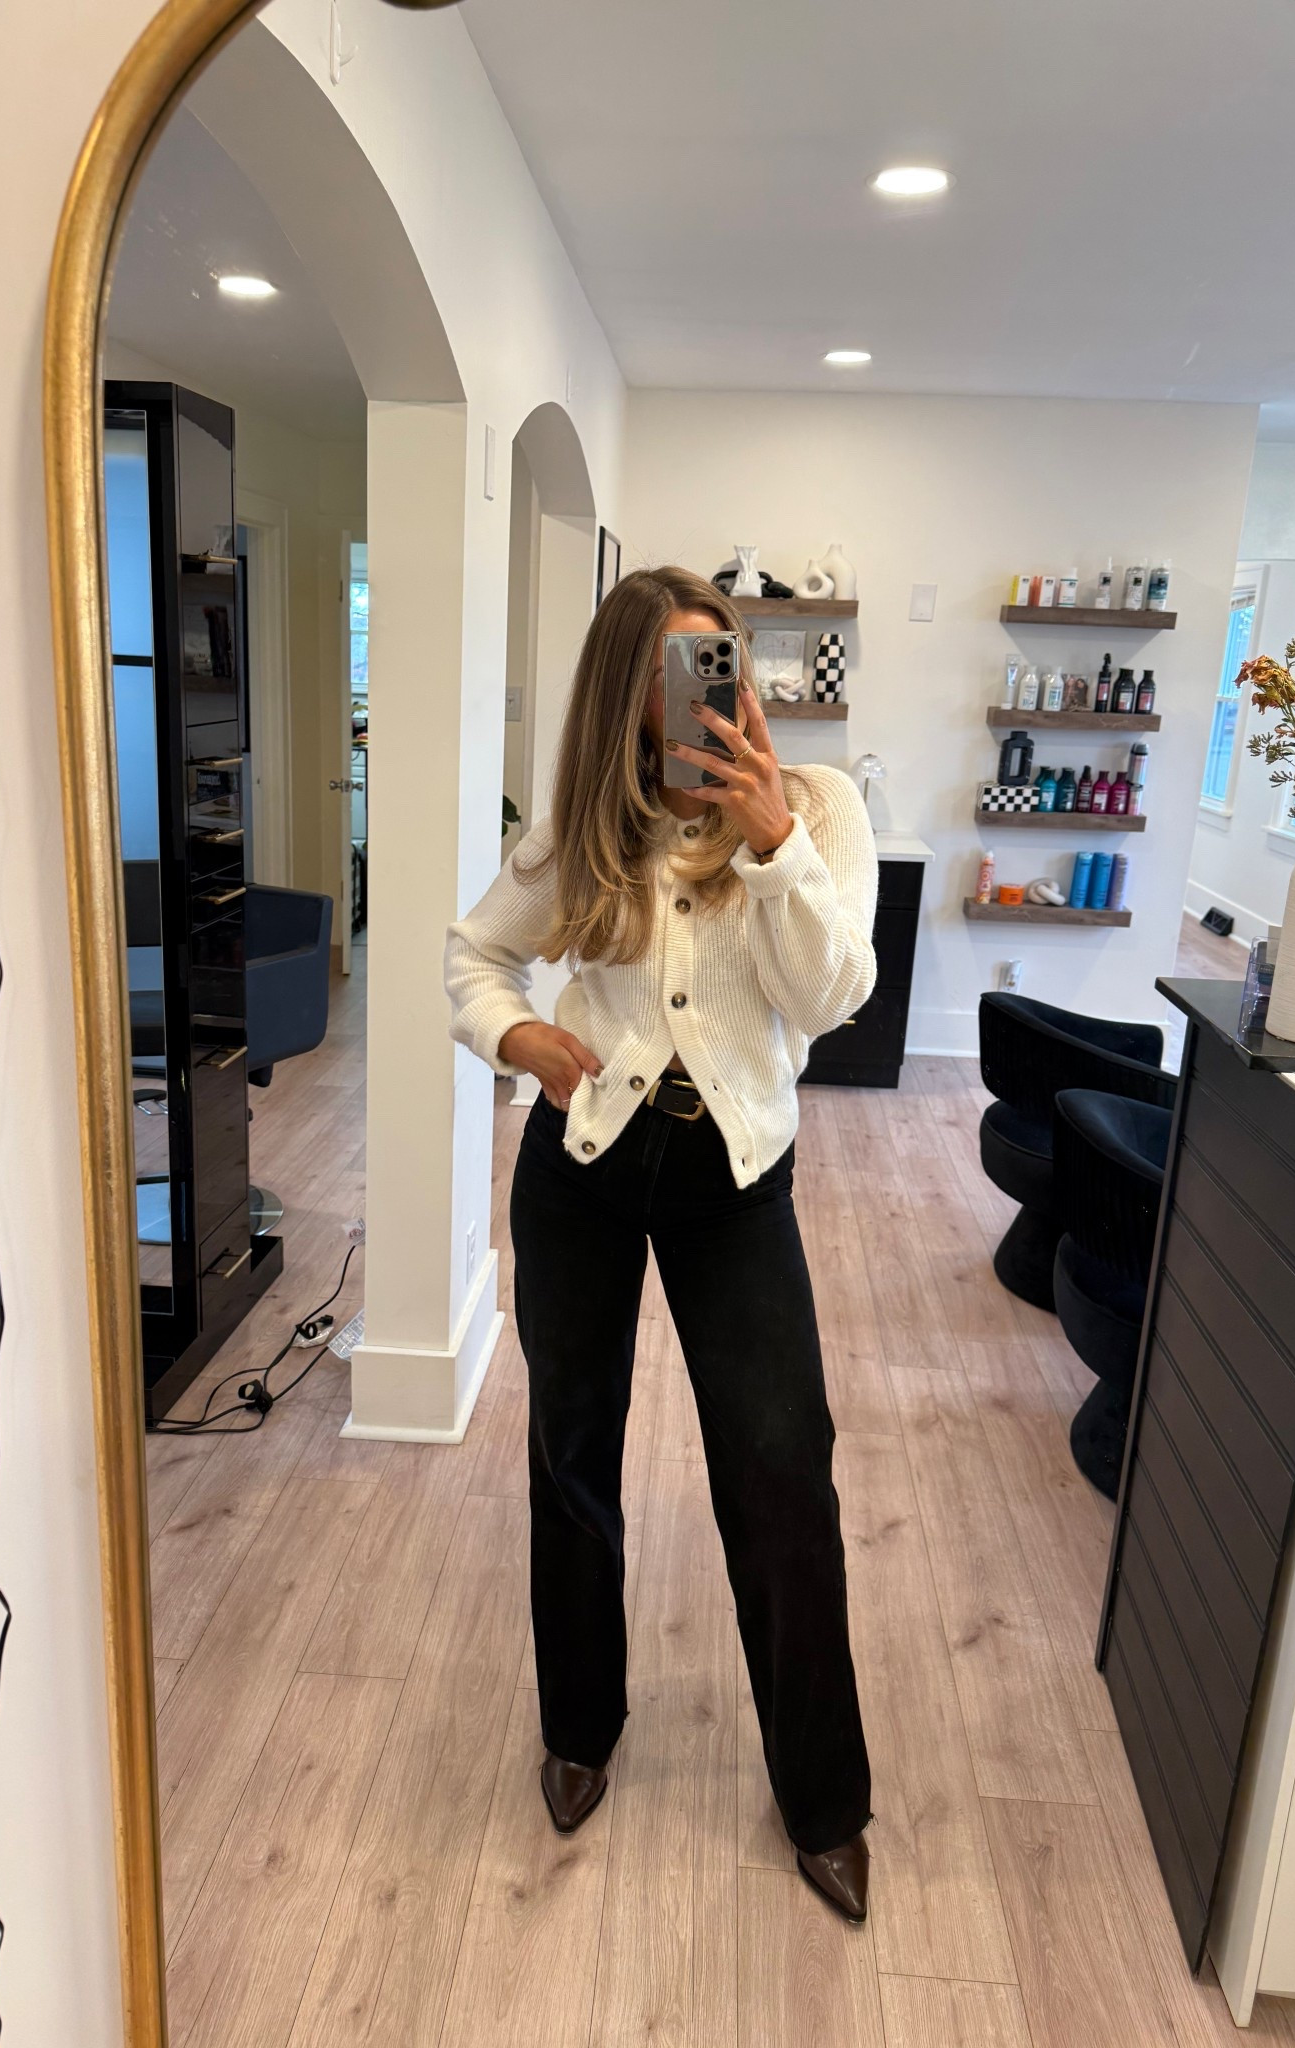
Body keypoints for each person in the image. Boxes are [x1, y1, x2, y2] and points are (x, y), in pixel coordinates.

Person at [444, 565, 877, 1921]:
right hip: (584, 1164)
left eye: (717, 659)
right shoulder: (588, 824)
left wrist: (770, 840)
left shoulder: (817, 807)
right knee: (570, 1453)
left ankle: (824, 1797)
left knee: (781, 1469)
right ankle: (580, 1726)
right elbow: (473, 958)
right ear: (627, 696)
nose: (700, 692)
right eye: (668, 671)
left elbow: (833, 999)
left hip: (734, 1175)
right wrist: (518, 1035)